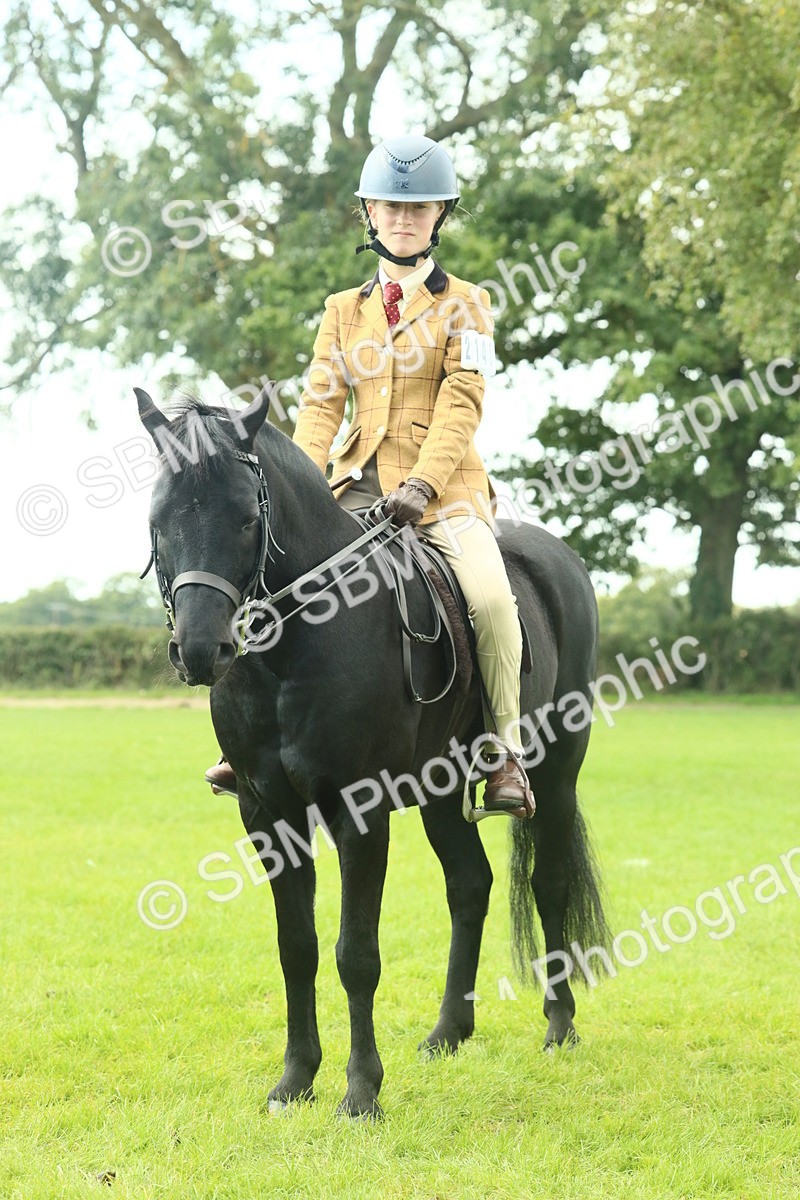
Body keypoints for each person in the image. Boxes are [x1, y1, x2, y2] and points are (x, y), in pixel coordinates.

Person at [206, 134, 532, 816]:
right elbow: (322, 405)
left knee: (494, 601)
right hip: (352, 487)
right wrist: (295, 483)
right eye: (390, 206)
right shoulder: (340, 310)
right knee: (262, 577)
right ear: (370, 213)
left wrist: (423, 484)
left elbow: (462, 401)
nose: (403, 218)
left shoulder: (469, 304)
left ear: (441, 214)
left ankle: (504, 756)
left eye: (418, 207)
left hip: (443, 494)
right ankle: (250, 742)